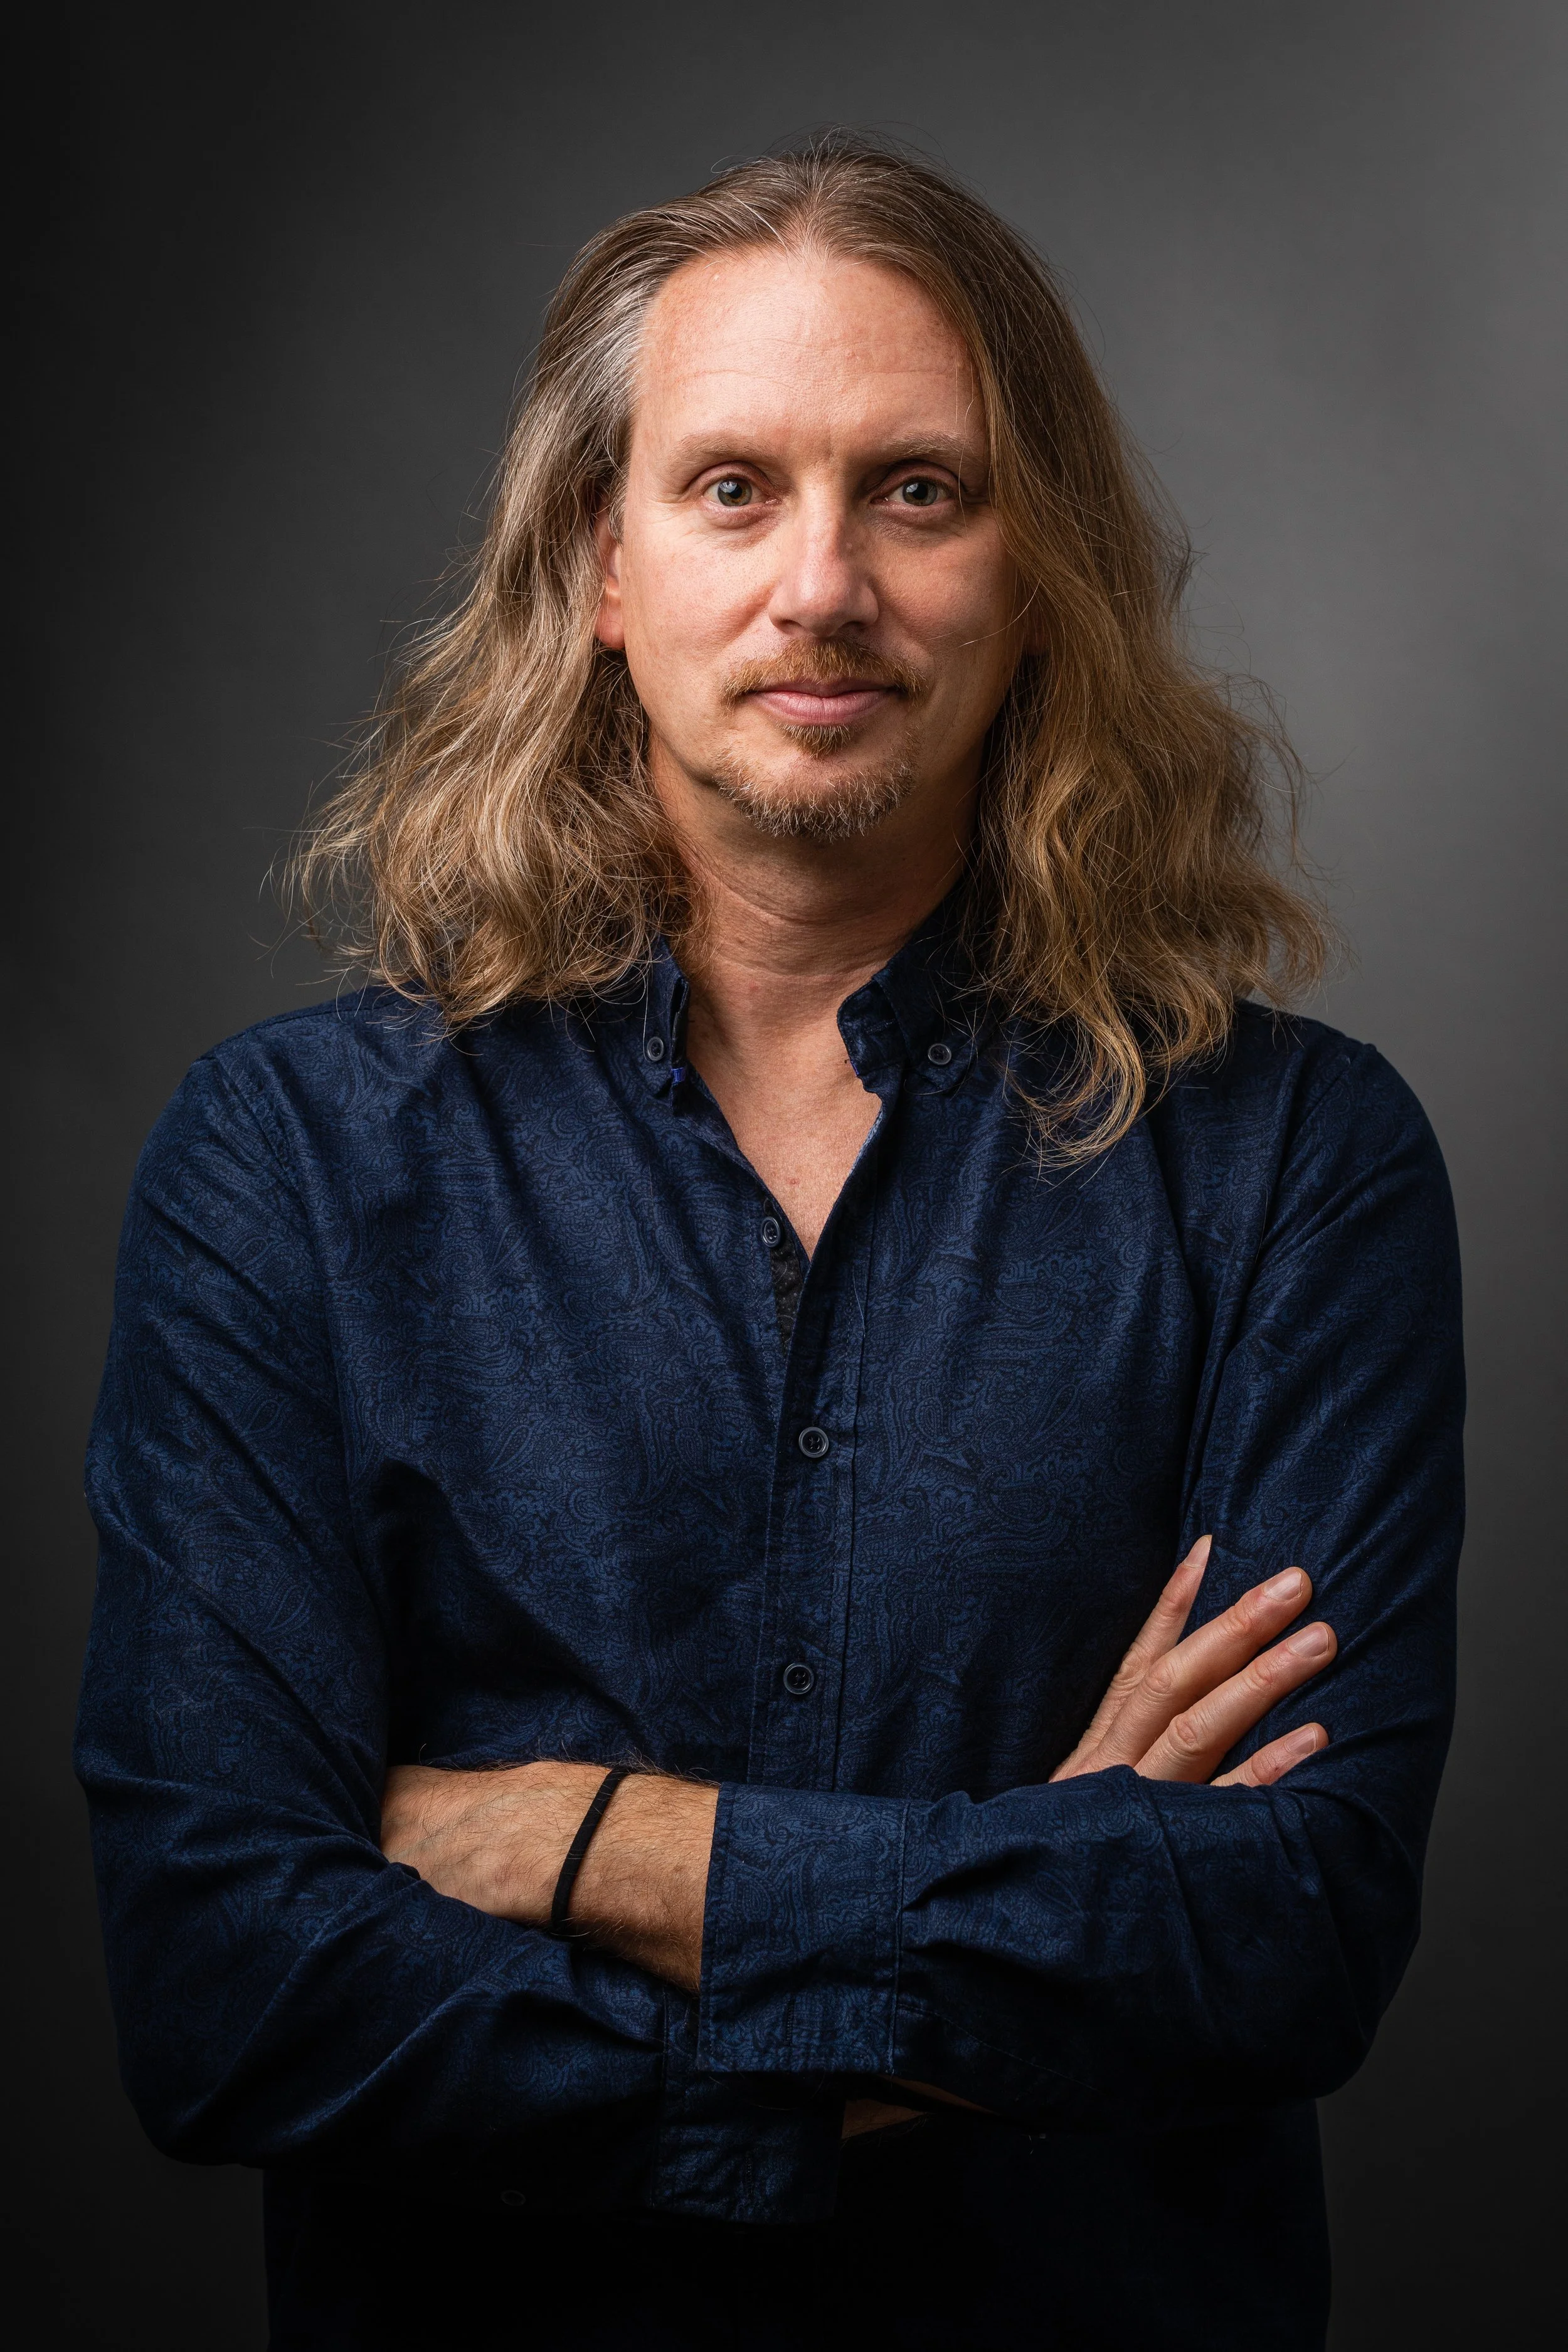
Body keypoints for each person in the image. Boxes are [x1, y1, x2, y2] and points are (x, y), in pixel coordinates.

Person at [76, 140, 1462, 2351]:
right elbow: (230, 1991)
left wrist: (580, 1842)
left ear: (1041, 578)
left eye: (917, 490)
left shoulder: (1299, 1164)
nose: (822, 584)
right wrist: (1017, 1918)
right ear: (597, 567)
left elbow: (1277, 1939)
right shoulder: (292, 1164)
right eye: (732, 487)